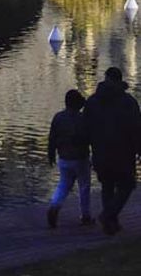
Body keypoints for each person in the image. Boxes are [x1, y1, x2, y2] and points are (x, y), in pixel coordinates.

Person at [83, 67, 141, 235]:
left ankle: (110, 223)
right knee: (127, 185)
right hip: (123, 151)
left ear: (106, 78)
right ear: (120, 80)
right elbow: (136, 128)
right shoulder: (129, 102)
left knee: (107, 185)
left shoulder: (93, 101)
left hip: (100, 150)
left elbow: (85, 127)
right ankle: (108, 215)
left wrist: (87, 148)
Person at [47, 89, 93, 228]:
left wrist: (51, 154)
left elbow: (52, 138)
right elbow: (89, 138)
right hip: (80, 157)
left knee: (63, 184)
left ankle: (55, 205)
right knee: (84, 187)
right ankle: (85, 215)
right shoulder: (83, 119)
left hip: (63, 157)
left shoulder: (58, 117)